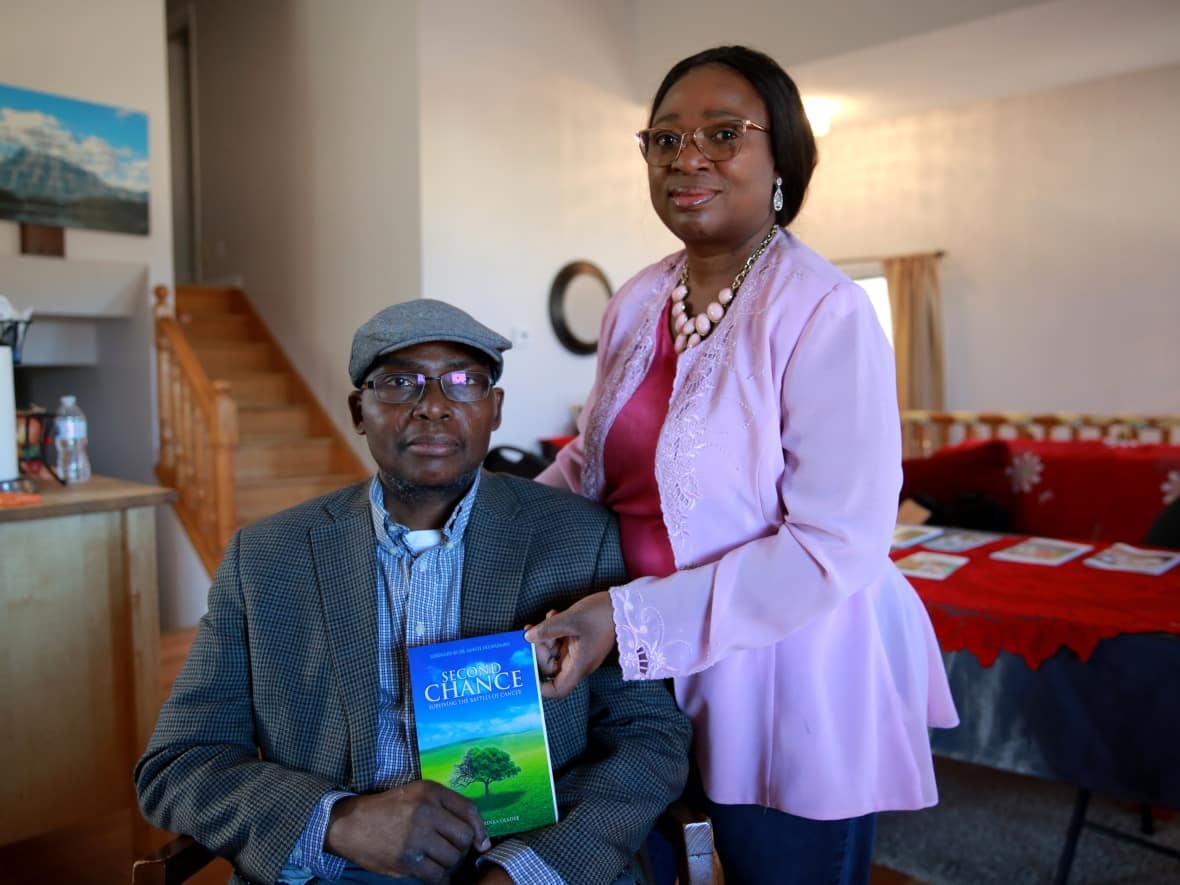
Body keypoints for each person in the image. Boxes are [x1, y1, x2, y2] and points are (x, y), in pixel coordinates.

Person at [525, 45, 959, 884]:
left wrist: (627, 617)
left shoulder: (823, 309)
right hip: (645, 673)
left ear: (781, 158)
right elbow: (591, 462)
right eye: (664, 139)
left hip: (789, 669)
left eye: (724, 134)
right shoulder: (638, 299)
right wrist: (491, 523)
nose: (688, 158)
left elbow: (834, 542)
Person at [136, 299, 691, 885]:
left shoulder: (581, 541)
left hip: (520, 865)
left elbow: (647, 739)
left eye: (463, 382)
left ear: (494, 409)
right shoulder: (267, 560)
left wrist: (524, 871)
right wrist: (338, 822)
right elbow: (178, 763)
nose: (432, 406)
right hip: (334, 869)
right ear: (358, 409)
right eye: (400, 383)